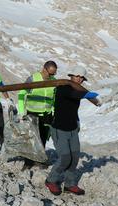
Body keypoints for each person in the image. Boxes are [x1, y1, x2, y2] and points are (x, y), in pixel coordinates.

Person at [45, 66, 101, 196]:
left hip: (72, 128)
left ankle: (70, 184)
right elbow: (71, 95)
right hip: (59, 128)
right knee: (65, 157)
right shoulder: (62, 88)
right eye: (77, 76)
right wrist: (86, 94)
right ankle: (51, 180)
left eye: (82, 77)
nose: (79, 79)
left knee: (74, 157)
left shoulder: (77, 88)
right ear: (71, 75)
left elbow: (72, 108)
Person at [18, 60, 57, 170]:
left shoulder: (54, 81)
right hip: (32, 114)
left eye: (54, 74)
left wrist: (53, 111)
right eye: (50, 73)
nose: (51, 76)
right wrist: (21, 113)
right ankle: (28, 162)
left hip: (47, 114)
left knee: (43, 138)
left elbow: (54, 98)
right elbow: (21, 94)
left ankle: (40, 160)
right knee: (31, 139)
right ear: (44, 69)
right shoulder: (33, 78)